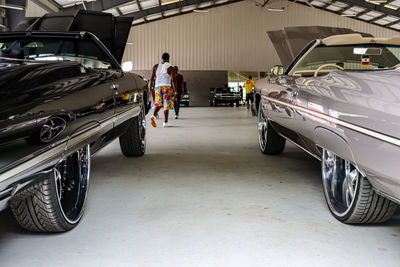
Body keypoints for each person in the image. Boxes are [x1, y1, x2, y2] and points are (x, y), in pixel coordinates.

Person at [149, 52, 177, 128]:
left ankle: (153, 116)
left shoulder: (156, 66)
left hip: (157, 87)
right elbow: (173, 80)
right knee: (166, 104)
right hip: (166, 87)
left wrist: (150, 89)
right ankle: (165, 122)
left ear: (162, 58)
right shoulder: (170, 67)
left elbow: (151, 79)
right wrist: (175, 91)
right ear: (168, 58)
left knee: (158, 104)